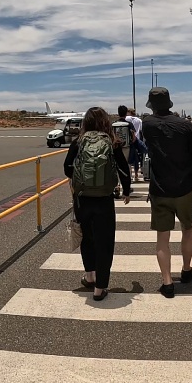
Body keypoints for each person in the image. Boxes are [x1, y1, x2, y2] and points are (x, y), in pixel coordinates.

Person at [64, 107, 132, 301]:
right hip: (104, 199)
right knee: (104, 242)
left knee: (86, 238)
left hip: (82, 199)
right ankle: (100, 288)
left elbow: (67, 167)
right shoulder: (112, 142)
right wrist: (126, 190)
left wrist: (81, 178)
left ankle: (90, 276)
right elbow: (123, 169)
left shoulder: (79, 141)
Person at [141, 87, 192, 298]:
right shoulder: (186, 126)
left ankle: (167, 282)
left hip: (160, 189)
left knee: (162, 238)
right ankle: (186, 270)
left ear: (152, 105)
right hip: (185, 187)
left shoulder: (147, 124)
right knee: (187, 228)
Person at [126, 107, 145, 181]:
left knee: (128, 158)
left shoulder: (126, 119)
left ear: (129, 112)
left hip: (128, 140)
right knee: (136, 158)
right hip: (137, 140)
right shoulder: (139, 120)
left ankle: (130, 173)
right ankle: (136, 174)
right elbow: (141, 130)